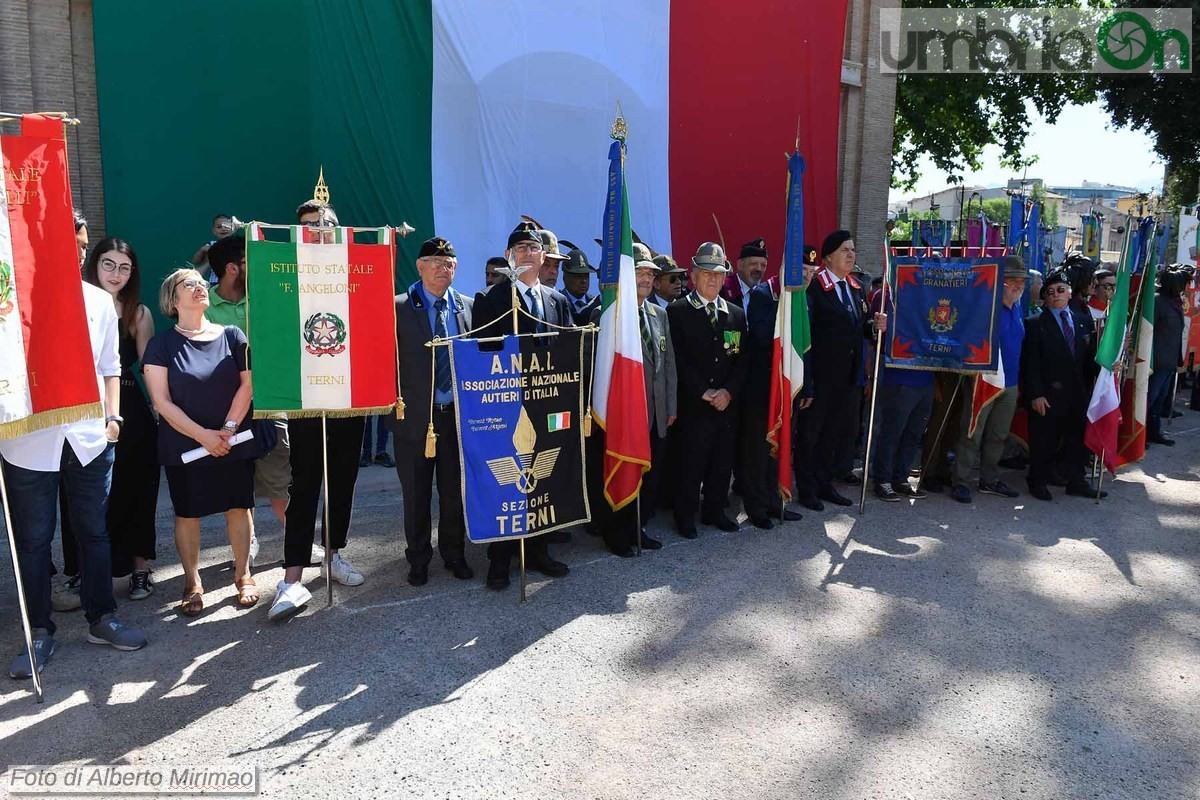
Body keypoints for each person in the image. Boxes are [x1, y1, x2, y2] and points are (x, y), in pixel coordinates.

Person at [2, 280, 148, 678]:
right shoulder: (9, 296)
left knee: (94, 533)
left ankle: (102, 617)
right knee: (32, 542)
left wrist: (113, 419)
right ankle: (38, 632)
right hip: (26, 441)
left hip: (88, 437)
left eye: (80, 243)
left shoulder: (97, 299)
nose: (76, 250)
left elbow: (109, 366)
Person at [268, 200, 367, 620]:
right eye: (310, 225)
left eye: (326, 224)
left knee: (342, 479)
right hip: (305, 395)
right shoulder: (282, 271)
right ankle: (292, 576)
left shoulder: (356, 267)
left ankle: (335, 553)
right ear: (298, 231)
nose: (319, 230)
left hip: (349, 393)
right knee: (304, 484)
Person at [143, 268, 258, 616]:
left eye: (200, 282)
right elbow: (161, 402)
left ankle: (243, 574)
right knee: (188, 513)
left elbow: (248, 385)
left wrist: (226, 429)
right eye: (188, 284)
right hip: (185, 446)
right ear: (172, 299)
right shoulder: (161, 344)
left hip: (232, 438)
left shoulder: (233, 335)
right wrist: (203, 436)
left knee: (239, 506)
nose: (199, 288)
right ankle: (192, 582)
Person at [472, 221, 573, 589]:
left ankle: (538, 550)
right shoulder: (492, 299)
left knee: (542, 479)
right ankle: (499, 559)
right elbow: (484, 356)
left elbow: (564, 356)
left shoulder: (556, 300)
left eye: (534, 248)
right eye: (521, 249)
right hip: (505, 407)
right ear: (509, 256)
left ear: (543, 255)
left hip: (546, 406)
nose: (528, 254)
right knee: (506, 482)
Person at [387, 237, 475, 587]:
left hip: (455, 415)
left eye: (449, 263)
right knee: (416, 493)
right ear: (420, 267)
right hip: (413, 418)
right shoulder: (397, 307)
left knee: (454, 492)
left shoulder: (467, 307)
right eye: (435, 262)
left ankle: (454, 553)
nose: (443, 268)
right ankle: (418, 558)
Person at [205, 235, 296, 564]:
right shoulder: (203, 307)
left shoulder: (265, 297)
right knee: (237, 483)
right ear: (232, 269)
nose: (254, 267)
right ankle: (248, 542)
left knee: (281, 479)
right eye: (247, 262)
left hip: (270, 403)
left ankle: (296, 543)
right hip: (225, 410)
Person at [81, 239, 159, 598]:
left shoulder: (138, 313)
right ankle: (87, 571)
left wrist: (163, 408)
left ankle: (140, 568)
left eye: (124, 267)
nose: (116, 273)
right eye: (108, 264)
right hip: (82, 406)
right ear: (94, 265)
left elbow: (149, 368)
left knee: (137, 487)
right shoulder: (75, 302)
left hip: (129, 407)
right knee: (90, 495)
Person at [596, 257, 677, 555]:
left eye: (650, 274)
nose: (645, 278)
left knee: (650, 474)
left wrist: (671, 406)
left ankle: (638, 527)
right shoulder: (609, 315)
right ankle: (615, 532)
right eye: (639, 272)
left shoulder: (659, 314)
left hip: (655, 413)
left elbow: (668, 365)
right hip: (626, 413)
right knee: (622, 468)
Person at [668, 242, 748, 538]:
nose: (713, 279)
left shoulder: (736, 314)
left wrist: (728, 392)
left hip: (726, 405)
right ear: (693, 275)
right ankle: (685, 515)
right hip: (694, 404)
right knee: (691, 462)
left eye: (718, 274)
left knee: (721, 461)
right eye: (706, 274)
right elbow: (677, 360)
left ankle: (715, 510)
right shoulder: (677, 312)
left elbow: (742, 360)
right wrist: (704, 392)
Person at [803, 231, 887, 507]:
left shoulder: (854, 287)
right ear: (828, 257)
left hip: (847, 377)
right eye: (844, 250)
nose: (851, 255)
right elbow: (807, 335)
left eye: (853, 250)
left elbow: (858, 328)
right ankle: (806, 488)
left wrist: (873, 326)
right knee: (812, 434)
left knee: (834, 433)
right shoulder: (815, 287)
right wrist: (807, 381)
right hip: (822, 376)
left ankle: (824, 483)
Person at [948, 256, 1027, 503]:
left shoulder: (1018, 308)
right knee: (972, 432)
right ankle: (960, 480)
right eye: (1012, 280)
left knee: (999, 434)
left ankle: (989, 479)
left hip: (1010, 382)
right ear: (999, 282)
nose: (1018, 286)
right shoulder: (986, 308)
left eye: (1022, 281)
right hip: (984, 379)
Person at [1021, 269, 1102, 501]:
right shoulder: (1035, 324)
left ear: (1069, 293)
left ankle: (1076, 481)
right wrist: (1035, 394)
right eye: (1050, 291)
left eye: (1061, 290)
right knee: (1044, 441)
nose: (1056, 294)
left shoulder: (1084, 321)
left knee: (1076, 440)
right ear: (1044, 297)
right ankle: (1038, 480)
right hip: (1047, 394)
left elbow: (1090, 361)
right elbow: (1031, 364)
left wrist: (1109, 366)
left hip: (1077, 393)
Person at [743, 272, 809, 523]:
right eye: (800, 271)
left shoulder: (800, 297)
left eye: (809, 273)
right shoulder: (762, 295)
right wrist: (784, 311)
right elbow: (760, 336)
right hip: (763, 386)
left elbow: (804, 346)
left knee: (781, 448)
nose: (804, 277)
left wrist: (807, 387)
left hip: (788, 385)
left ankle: (776, 500)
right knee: (759, 452)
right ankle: (756, 506)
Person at [1146, 267, 1188, 446]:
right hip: (1157, 360)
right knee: (1149, 399)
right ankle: (1140, 435)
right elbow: (1148, 331)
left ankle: (1154, 432)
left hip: (1169, 359)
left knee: (1160, 399)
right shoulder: (1157, 301)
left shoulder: (1174, 302)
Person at [721, 238, 767, 316]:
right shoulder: (723, 289)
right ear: (740, 265)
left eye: (763, 265)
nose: (759, 269)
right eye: (753, 264)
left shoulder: (767, 295)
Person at [560, 244, 598, 325]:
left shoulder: (595, 303)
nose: (584, 281)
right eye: (578, 276)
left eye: (586, 276)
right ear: (565, 278)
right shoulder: (557, 304)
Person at [191, 214, 235, 283]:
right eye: (219, 227)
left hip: (235, 282)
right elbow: (195, 261)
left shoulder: (238, 245)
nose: (223, 229)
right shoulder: (212, 245)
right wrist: (202, 250)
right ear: (214, 231)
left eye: (226, 226)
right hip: (215, 282)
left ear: (234, 228)